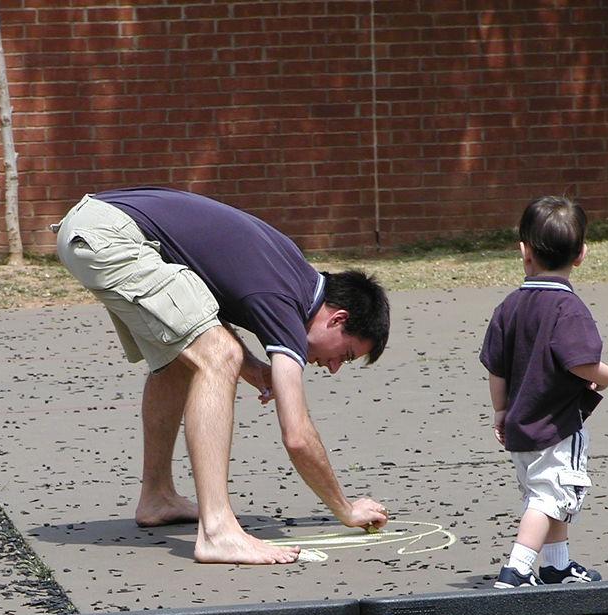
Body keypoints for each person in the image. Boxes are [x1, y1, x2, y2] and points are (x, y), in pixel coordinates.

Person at [53, 186, 390, 565]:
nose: (332, 367)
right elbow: (296, 436)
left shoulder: (292, 274)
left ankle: (157, 496)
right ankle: (218, 532)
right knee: (218, 354)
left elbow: (208, 304)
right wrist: (345, 509)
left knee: (185, 358)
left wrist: (250, 367)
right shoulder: (283, 299)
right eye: (343, 355)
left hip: (96, 221)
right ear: (338, 317)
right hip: (109, 235)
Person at [480, 195, 608, 588]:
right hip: (556, 426)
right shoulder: (568, 308)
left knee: (546, 493)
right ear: (582, 254)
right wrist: (606, 376)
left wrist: (500, 411)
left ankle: (556, 564)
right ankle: (518, 569)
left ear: (524, 252)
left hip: (522, 424)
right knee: (548, 498)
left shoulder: (510, 306)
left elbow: (496, 367)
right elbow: (581, 363)